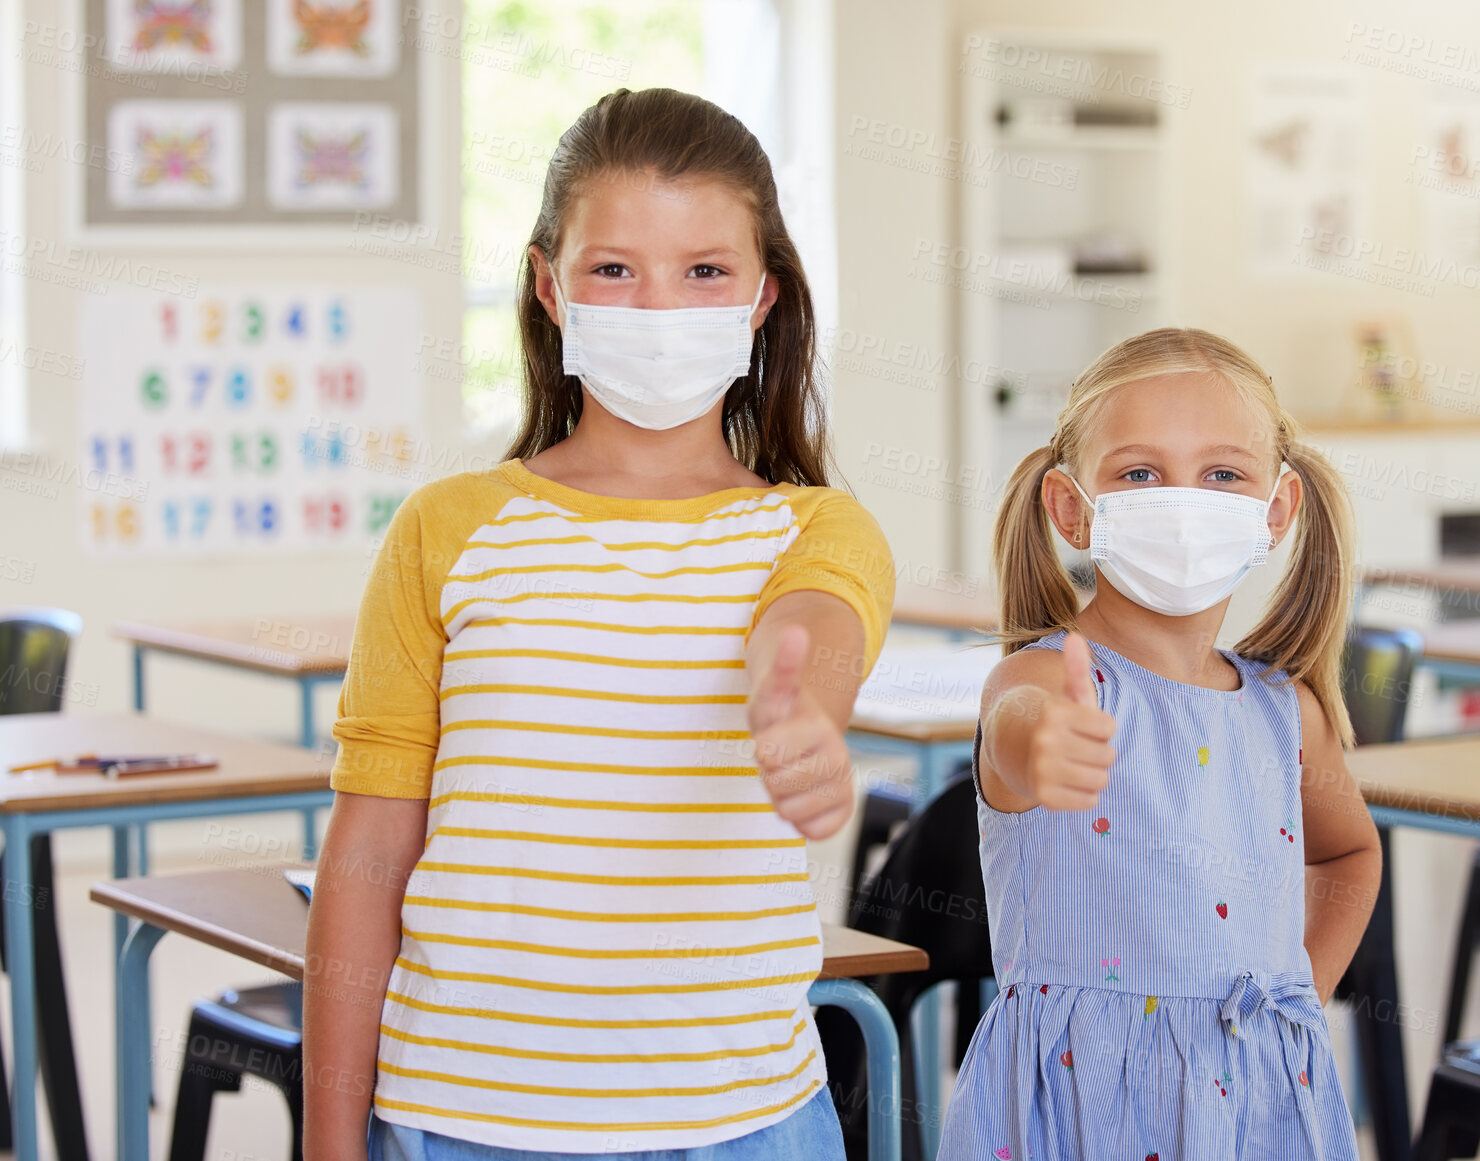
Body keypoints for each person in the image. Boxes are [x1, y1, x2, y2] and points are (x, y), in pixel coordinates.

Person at [303, 88, 894, 1161]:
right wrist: (329, 1144)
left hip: (744, 1123)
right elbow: (370, 851)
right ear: (548, 286)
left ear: (764, 295)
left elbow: (812, 630)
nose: (659, 307)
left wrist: (799, 710)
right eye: (614, 268)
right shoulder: (450, 528)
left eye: (704, 270)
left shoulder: (817, 529)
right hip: (464, 1118)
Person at [938, 327, 1381, 1160]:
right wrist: (1043, 746)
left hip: (1261, 1103)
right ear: (1072, 509)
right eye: (1139, 472)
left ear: (1276, 510)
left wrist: (1298, 998)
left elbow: (1348, 853)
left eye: (1223, 473)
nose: (1184, 499)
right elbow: (1015, 730)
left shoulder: (1286, 710)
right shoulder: (1041, 681)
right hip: (1079, 1102)